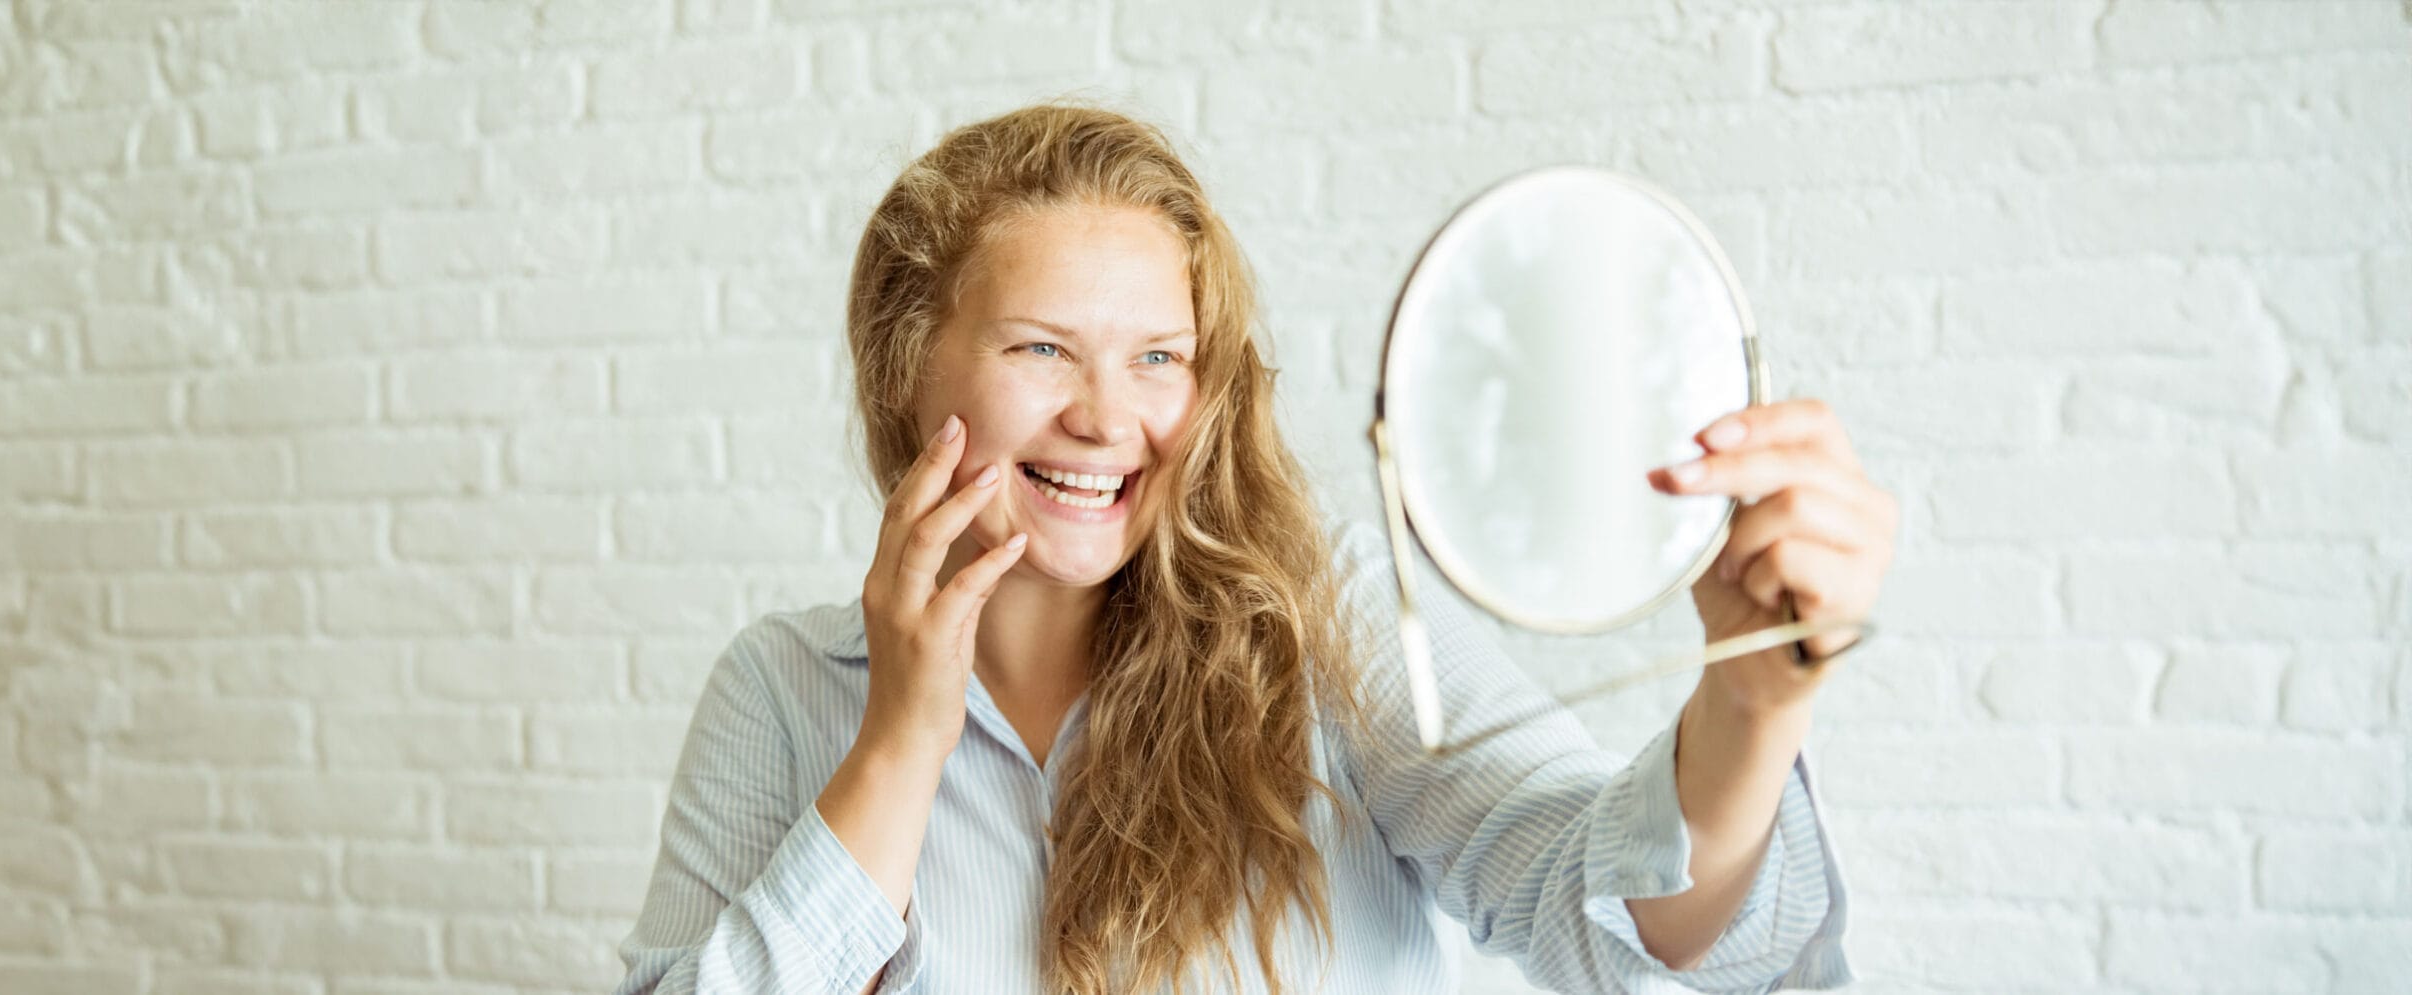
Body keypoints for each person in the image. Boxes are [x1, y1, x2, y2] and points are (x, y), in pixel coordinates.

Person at [612, 103, 1898, 994]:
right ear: (907, 374)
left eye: (1158, 357)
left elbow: (1605, 914)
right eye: (1041, 347)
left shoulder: (1320, 624)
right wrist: (899, 742)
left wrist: (1749, 699)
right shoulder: (782, 690)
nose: (1108, 417)